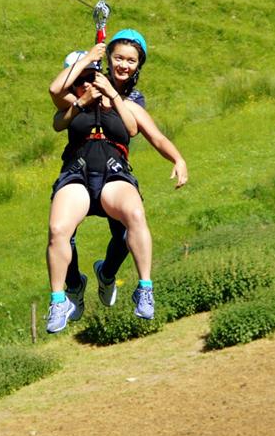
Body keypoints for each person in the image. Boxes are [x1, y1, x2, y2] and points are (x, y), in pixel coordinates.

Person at [45, 29, 188, 334]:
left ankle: (144, 288)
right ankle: (60, 300)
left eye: (130, 60)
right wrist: (88, 59)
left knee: (135, 216)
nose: (123, 64)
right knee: (58, 229)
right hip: (78, 172)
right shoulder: (78, 98)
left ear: (138, 66)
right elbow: (55, 88)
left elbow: (148, 134)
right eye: (118, 57)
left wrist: (178, 159)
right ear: (108, 59)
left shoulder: (131, 105)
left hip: (113, 174)